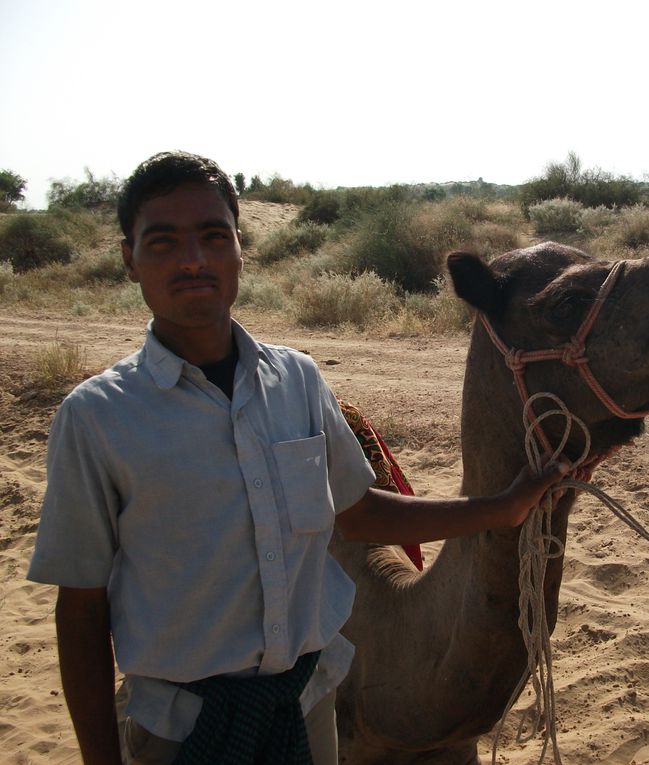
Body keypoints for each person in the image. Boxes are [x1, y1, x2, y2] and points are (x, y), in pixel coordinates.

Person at [27, 151, 567, 765]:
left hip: (308, 711)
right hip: (180, 731)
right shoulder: (96, 418)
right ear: (129, 259)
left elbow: (360, 514)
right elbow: (81, 609)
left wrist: (502, 508)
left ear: (239, 248)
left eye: (211, 236)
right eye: (163, 241)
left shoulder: (298, 382)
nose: (193, 260)